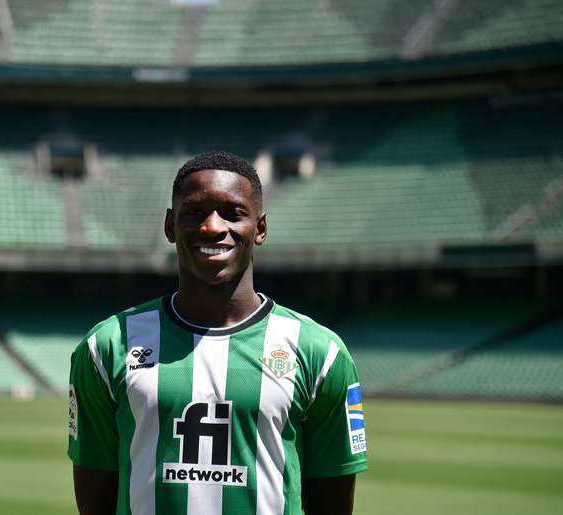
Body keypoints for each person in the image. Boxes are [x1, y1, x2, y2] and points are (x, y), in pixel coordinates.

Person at [68, 151, 368, 515]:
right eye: (194, 212)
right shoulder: (106, 346)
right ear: (169, 226)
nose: (212, 226)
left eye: (232, 213)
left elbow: (331, 502)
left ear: (260, 228)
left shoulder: (321, 353)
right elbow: (95, 497)